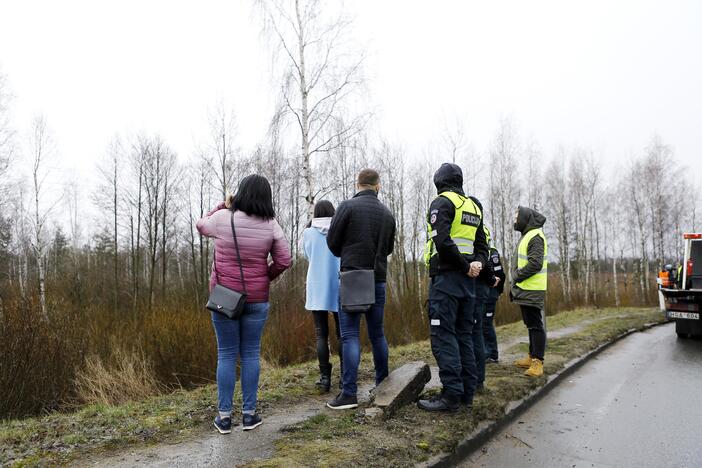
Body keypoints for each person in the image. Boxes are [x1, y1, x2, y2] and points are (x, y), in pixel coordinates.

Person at [196, 174, 292, 434]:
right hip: (257, 299)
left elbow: (201, 225)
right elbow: (284, 260)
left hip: (224, 298)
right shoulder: (271, 224)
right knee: (250, 354)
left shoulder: (223, 219)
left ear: (240, 194)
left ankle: (224, 418)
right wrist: (264, 277)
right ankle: (249, 416)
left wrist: (223, 206)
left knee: (227, 354)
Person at [417, 163, 489, 413]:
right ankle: (467, 393)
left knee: (443, 336)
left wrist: (464, 265)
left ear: (439, 182)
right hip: (468, 283)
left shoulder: (442, 202)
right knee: (464, 336)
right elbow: (483, 245)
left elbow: (443, 240)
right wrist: (476, 263)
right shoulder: (472, 207)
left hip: (447, 280)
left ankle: (451, 396)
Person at [325, 168, 396, 410]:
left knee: (350, 335)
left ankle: (349, 394)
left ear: (358, 184)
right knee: (377, 334)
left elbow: (332, 242)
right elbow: (388, 248)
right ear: (378, 186)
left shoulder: (347, 207)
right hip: (377, 278)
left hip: (353, 276)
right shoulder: (387, 214)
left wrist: (347, 253)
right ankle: (383, 385)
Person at [302, 200, 342, 392]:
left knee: (321, 333)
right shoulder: (340, 230)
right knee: (343, 334)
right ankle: (345, 377)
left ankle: (325, 379)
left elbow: (307, 255)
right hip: (339, 283)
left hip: (316, 285)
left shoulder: (308, 233)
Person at [511, 205, 548, 378]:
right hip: (526, 289)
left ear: (525, 218)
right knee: (531, 325)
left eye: (517, 216)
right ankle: (531, 356)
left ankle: (538, 362)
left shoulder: (535, 236)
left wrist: (517, 275)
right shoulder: (528, 235)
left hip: (532, 289)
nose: (514, 219)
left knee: (535, 326)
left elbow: (535, 263)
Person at [472, 224, 500, 390]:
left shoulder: (489, 248)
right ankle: (487, 358)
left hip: (484, 291)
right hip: (484, 288)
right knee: (480, 328)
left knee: (482, 327)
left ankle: (492, 355)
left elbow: (490, 266)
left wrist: (492, 281)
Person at [483, 245, 505, 364]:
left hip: (490, 293)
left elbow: (500, 274)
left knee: (486, 323)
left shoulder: (492, 252)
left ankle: (492, 354)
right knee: (482, 324)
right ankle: (486, 353)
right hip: (482, 294)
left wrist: (497, 292)